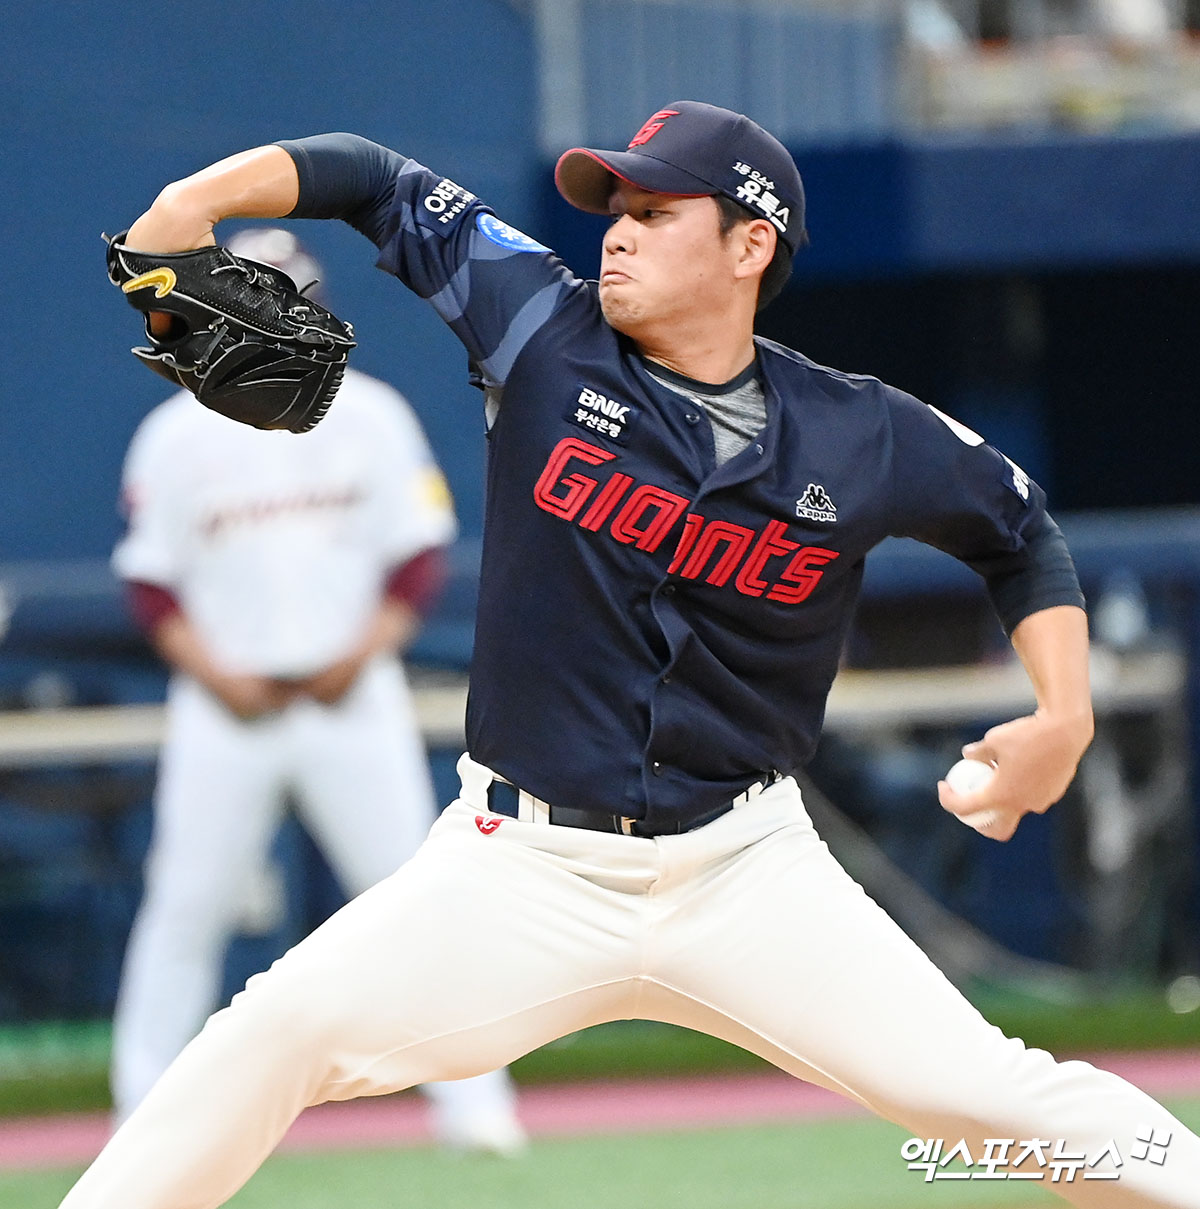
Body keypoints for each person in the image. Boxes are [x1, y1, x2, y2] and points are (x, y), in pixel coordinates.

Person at [66, 101, 1200, 1208]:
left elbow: (1018, 527)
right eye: (615, 205)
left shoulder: (861, 432)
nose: (616, 227)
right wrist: (187, 199)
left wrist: (1066, 712)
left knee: (1001, 1103)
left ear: (751, 244)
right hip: (520, 869)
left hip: (746, 872)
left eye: (657, 211)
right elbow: (370, 174)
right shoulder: (539, 325)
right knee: (271, 1035)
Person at [107, 227, 524, 1157]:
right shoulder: (173, 432)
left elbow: (417, 556)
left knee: (415, 899)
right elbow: (150, 581)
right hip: (226, 705)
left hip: (351, 693)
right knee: (186, 903)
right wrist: (218, 673)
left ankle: (478, 1114)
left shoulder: (368, 413)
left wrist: (362, 649)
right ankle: (138, 1113)